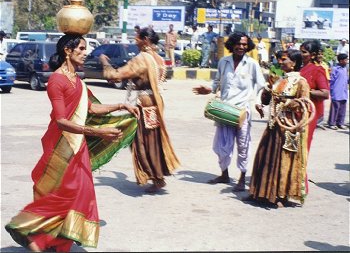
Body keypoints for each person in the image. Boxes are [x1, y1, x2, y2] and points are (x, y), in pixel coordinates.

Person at [4, 34, 140, 252]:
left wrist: (121, 106)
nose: (86, 53)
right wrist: (98, 131)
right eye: (82, 48)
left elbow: (93, 108)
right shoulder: (57, 80)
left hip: (78, 146)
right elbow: (61, 121)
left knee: (80, 194)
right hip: (61, 145)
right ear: (68, 50)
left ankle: (58, 241)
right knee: (62, 194)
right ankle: (32, 234)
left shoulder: (78, 80)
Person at [99, 27, 180, 193]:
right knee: (153, 139)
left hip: (144, 104)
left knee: (142, 140)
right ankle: (157, 175)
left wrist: (105, 62)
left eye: (137, 37)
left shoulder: (142, 59)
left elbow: (114, 75)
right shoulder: (158, 58)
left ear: (145, 39)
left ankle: (155, 177)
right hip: (155, 103)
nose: (134, 40)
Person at [193, 31, 265, 192]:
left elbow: (260, 86)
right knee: (222, 144)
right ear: (232, 44)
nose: (241, 47)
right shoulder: (223, 62)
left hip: (242, 111)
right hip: (225, 109)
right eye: (238, 44)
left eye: (244, 44)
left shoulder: (252, 64)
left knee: (243, 145)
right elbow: (217, 82)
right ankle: (224, 174)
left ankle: (241, 177)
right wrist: (209, 89)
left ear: (248, 46)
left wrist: (258, 103)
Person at [249, 49, 314, 207]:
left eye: (284, 60)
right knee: (267, 157)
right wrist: (267, 92)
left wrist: (287, 103)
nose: (280, 62)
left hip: (288, 126)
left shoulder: (301, 82)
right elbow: (267, 100)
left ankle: (281, 196)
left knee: (284, 160)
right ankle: (262, 193)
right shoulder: (279, 80)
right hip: (273, 124)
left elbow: (305, 105)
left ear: (293, 63)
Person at [300, 40, 329, 152]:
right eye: (301, 52)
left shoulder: (317, 70)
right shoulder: (300, 68)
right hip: (298, 113)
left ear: (312, 55)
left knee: (303, 146)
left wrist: (306, 91)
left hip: (309, 114)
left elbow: (325, 93)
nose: (301, 55)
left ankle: (302, 170)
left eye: (304, 52)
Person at [327, 53, 349, 130]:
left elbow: (346, 79)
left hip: (344, 92)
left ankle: (340, 123)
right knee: (335, 108)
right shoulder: (335, 69)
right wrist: (331, 91)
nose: (347, 61)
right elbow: (331, 80)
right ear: (341, 60)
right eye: (346, 60)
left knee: (342, 108)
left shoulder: (345, 69)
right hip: (336, 91)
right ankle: (332, 123)